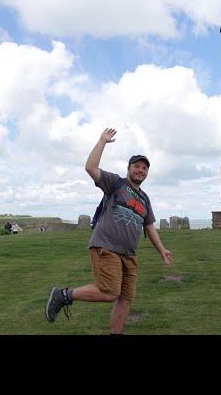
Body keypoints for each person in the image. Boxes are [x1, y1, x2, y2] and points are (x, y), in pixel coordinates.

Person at [45, 127, 173, 334]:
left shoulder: (145, 199)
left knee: (125, 299)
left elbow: (149, 226)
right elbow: (90, 167)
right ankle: (63, 295)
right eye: (137, 166)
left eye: (144, 168)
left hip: (129, 255)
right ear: (129, 168)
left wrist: (162, 250)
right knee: (110, 291)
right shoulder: (116, 183)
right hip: (107, 247)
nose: (140, 170)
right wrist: (102, 142)